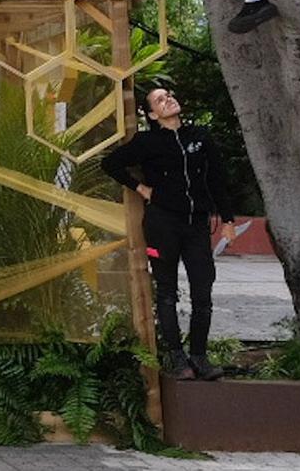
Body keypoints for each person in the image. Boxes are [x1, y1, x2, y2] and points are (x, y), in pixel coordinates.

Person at [100, 83, 237, 381]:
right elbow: (110, 163)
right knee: (166, 290)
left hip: (196, 224)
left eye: (169, 96)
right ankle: (176, 356)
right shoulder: (147, 142)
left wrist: (227, 219)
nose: (168, 100)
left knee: (203, 290)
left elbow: (217, 179)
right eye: (160, 100)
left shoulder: (199, 137)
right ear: (152, 113)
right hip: (163, 223)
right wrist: (141, 188)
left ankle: (199, 355)